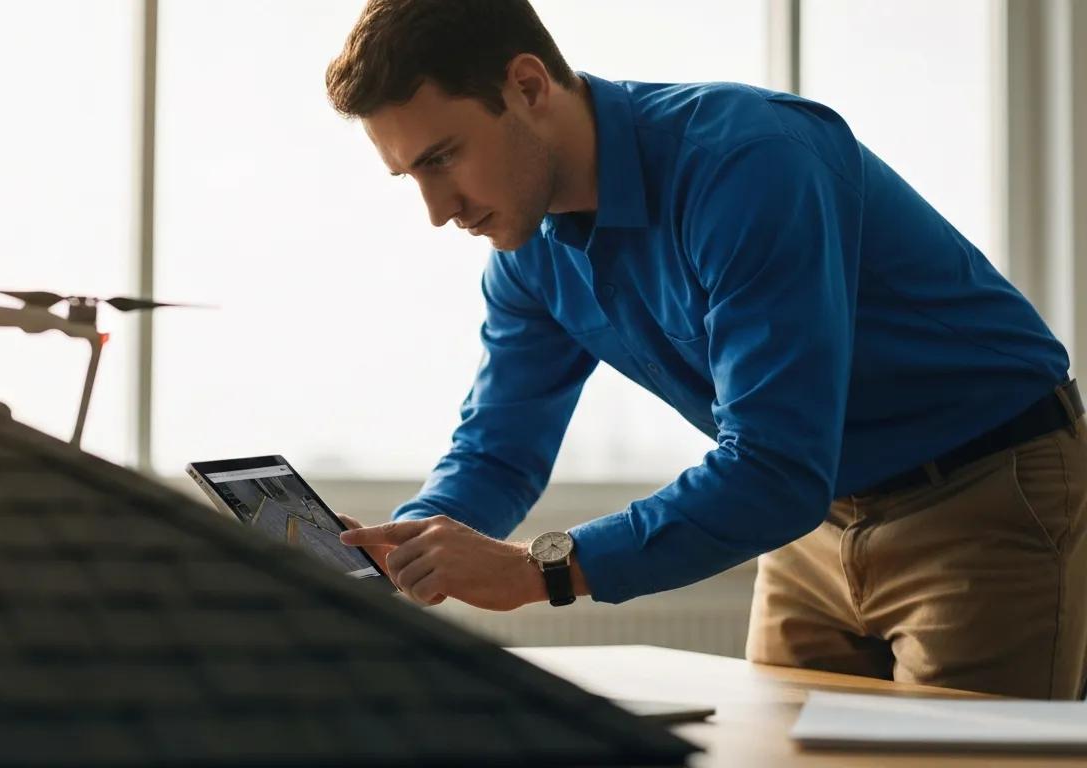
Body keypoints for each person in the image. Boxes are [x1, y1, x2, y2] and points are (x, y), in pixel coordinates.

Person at [326, 0, 1086, 700]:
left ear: (527, 86)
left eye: (442, 158)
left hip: (985, 493)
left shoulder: (749, 163)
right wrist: (404, 548)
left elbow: (774, 465)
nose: (436, 211)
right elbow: (497, 451)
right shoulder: (527, 251)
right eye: (409, 176)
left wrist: (540, 572)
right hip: (814, 519)